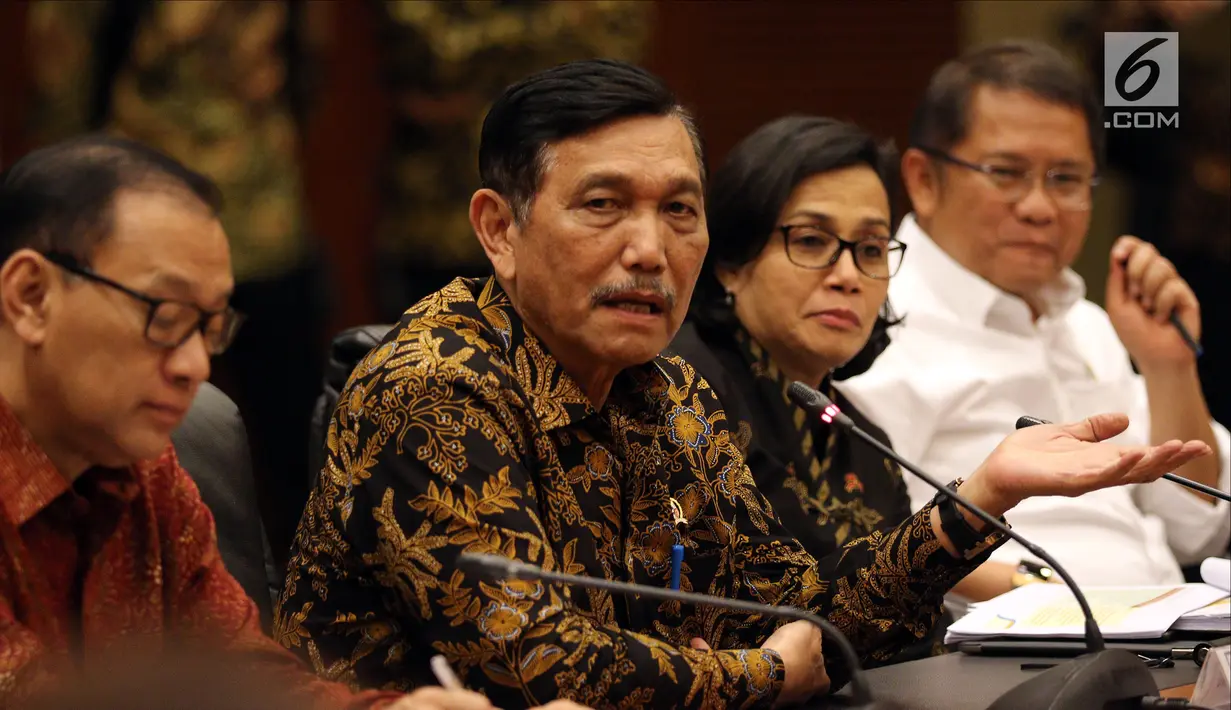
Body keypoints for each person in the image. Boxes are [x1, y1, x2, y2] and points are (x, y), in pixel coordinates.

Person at [277, 59, 1210, 710]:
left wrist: (980, 496)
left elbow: (802, 603)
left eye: (678, 210)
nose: (649, 249)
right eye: (603, 205)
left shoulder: (667, 392)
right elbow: (542, 664)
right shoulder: (434, 386)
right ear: (499, 228)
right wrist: (764, 677)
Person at [0, 134, 497, 710]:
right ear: (31, 296)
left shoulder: (144, 469)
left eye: (208, 327)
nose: (196, 366)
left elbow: (245, 683)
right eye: (165, 315)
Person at [840, 40, 1231, 603]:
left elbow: (1196, 528)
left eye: (1067, 180)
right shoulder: (867, 314)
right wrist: (1049, 591)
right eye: (1007, 172)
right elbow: (857, 546)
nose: (1040, 208)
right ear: (924, 180)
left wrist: (1167, 366)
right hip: (1005, 656)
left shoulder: (1088, 323)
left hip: (1163, 635)